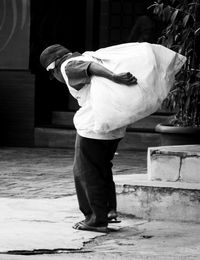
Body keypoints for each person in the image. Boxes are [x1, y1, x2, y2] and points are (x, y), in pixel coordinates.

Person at [40, 44, 137, 233]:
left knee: (85, 171)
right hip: (113, 126)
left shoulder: (68, 65)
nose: (58, 79)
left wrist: (114, 77)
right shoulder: (87, 57)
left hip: (94, 127)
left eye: (54, 75)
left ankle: (95, 219)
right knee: (101, 168)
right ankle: (108, 210)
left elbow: (87, 69)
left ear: (54, 67)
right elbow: (90, 68)